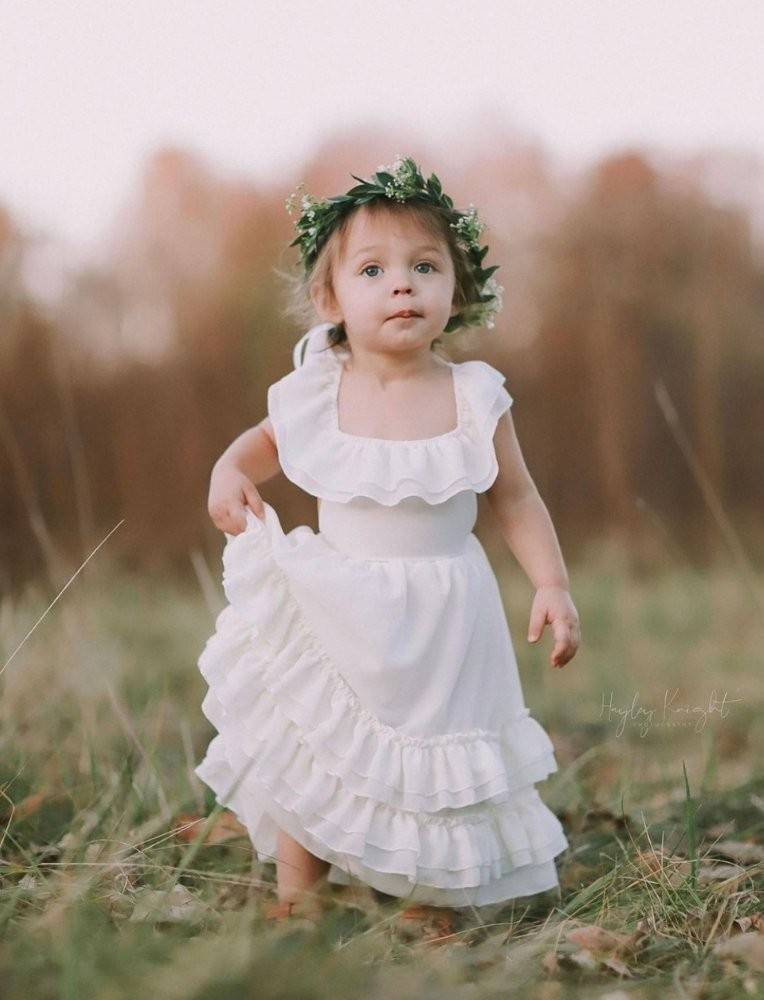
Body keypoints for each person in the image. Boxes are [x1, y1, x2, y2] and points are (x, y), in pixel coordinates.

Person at [195, 157, 580, 937]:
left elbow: (516, 496)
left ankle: (428, 897)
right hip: (340, 602)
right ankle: (297, 892)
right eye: (373, 269)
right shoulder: (317, 387)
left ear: (457, 290)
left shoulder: (475, 396)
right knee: (318, 744)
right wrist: (229, 470)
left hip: (447, 613)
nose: (401, 285)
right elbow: (262, 445)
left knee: (432, 764)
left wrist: (551, 583)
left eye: (424, 267)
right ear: (329, 299)